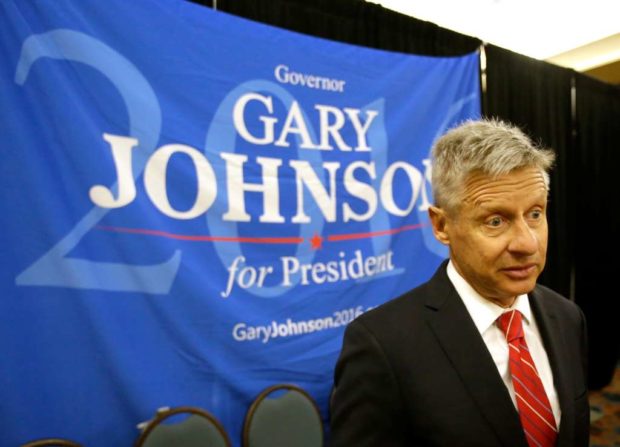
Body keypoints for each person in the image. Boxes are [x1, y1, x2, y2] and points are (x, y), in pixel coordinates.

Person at [330, 119, 589, 447]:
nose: (527, 243)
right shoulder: (382, 347)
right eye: (496, 220)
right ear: (441, 225)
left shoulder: (567, 317)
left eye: (535, 214)